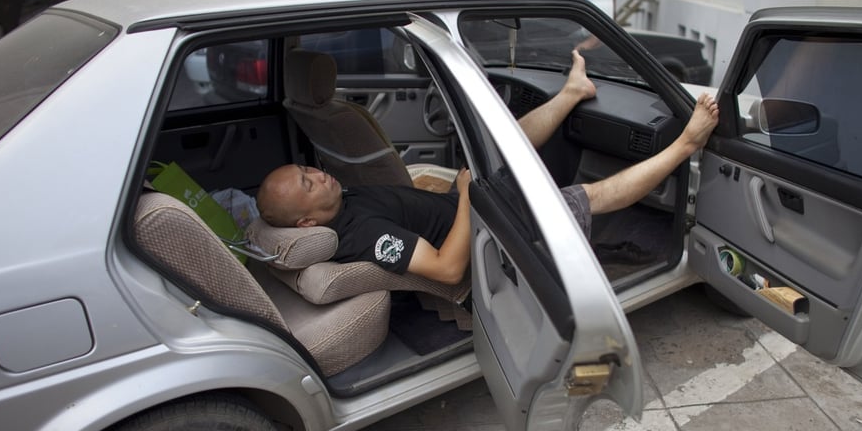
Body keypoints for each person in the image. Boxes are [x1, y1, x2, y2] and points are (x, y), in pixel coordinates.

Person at [257, 50, 719, 285]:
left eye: (308, 169)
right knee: (590, 196)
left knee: (504, 142)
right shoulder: (363, 237)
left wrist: (454, 191)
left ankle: (574, 91)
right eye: (307, 183)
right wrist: (465, 199)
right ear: (307, 221)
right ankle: (686, 144)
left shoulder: (341, 201)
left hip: (465, 204)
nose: (318, 174)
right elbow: (447, 270)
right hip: (485, 230)